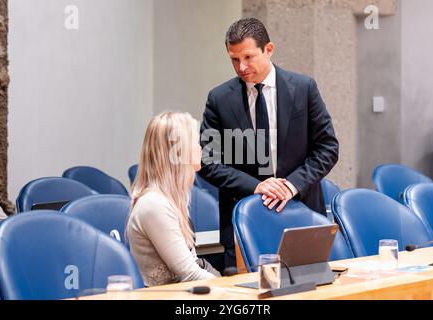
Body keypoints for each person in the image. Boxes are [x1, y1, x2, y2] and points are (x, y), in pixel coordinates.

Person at [199, 18, 339, 269]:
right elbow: (209, 162)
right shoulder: (219, 99)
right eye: (234, 59)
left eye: (248, 57)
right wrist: (257, 186)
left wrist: (291, 185)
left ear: (269, 50)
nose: (241, 67)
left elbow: (327, 148)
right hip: (242, 219)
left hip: (302, 211)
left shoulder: (304, 88)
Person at [126, 111, 220, 287]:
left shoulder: (173, 197)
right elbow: (189, 273)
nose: (201, 148)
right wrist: (232, 291)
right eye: (195, 142)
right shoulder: (154, 205)